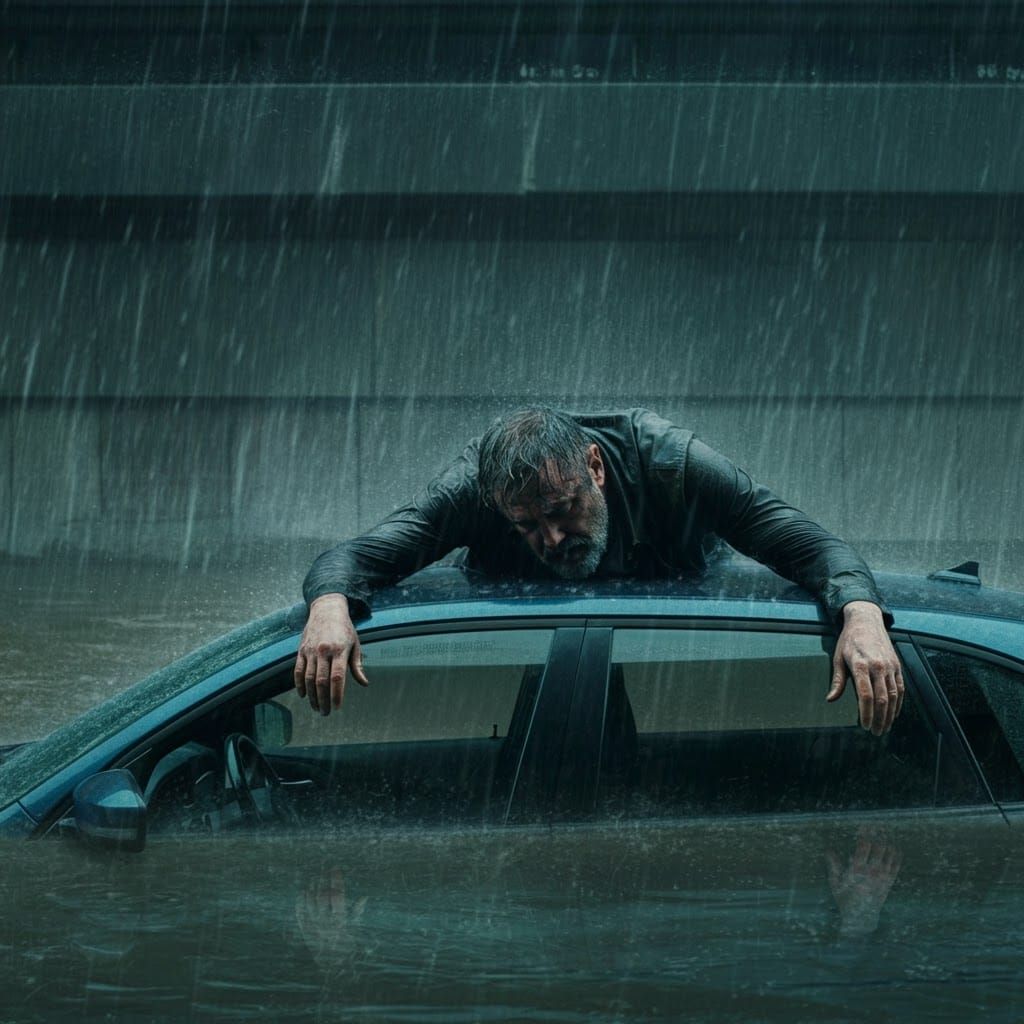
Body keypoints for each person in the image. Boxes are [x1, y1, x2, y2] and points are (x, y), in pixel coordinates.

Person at [295, 407, 904, 734]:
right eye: (526, 525)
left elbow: (811, 545)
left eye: (562, 510)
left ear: (596, 467)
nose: (553, 538)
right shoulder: (474, 489)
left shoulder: (672, 464)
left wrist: (861, 616)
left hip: (676, 648)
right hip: (543, 659)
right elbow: (355, 558)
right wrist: (328, 608)